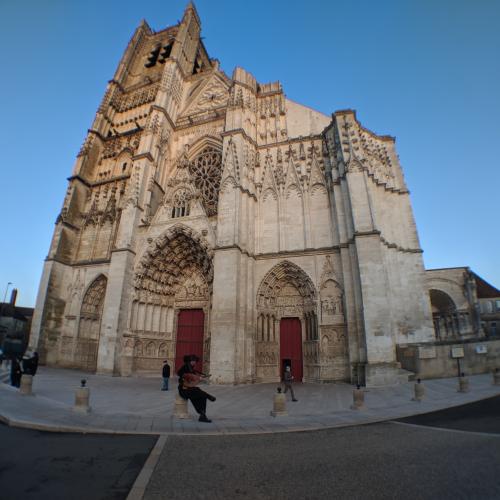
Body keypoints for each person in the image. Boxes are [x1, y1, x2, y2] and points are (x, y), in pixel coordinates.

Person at [177, 354, 215, 423]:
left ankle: (202, 415)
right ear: (189, 361)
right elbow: (181, 373)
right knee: (200, 394)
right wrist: (195, 377)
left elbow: (194, 376)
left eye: (194, 361)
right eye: (192, 361)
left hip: (190, 389)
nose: (194, 362)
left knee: (200, 397)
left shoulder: (191, 368)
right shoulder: (185, 367)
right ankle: (208, 397)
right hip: (184, 389)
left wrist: (201, 377)